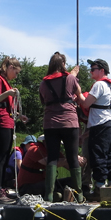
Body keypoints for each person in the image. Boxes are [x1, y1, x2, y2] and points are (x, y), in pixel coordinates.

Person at [39, 52, 85, 202]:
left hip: (50, 123)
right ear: (63, 64)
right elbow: (80, 98)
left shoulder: (44, 83)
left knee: (52, 157)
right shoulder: (70, 78)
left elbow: (43, 100)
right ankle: (80, 195)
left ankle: (49, 196)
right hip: (69, 122)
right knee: (72, 157)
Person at [77, 58, 111, 201]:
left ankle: (99, 188)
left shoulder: (99, 85)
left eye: (93, 69)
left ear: (102, 71)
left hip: (101, 125)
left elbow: (86, 104)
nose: (90, 71)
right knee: (110, 155)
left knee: (98, 157)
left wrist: (78, 92)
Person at [0, 57, 28, 203]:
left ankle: (2, 188)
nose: (16, 76)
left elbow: (6, 106)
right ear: (10, 67)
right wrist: (7, 94)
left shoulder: (5, 82)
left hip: (8, 122)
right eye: (16, 73)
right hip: (1, 123)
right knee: (1, 157)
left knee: (5, 157)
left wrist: (19, 116)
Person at [17, 136, 86, 199]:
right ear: (45, 141)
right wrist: (72, 158)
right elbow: (49, 162)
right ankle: (57, 195)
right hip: (26, 187)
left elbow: (69, 167)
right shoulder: (35, 149)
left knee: (73, 181)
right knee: (51, 185)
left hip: (44, 183)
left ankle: (61, 195)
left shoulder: (56, 152)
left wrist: (81, 162)